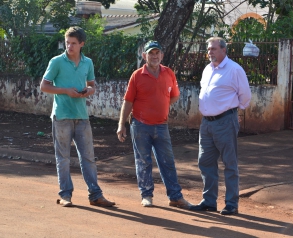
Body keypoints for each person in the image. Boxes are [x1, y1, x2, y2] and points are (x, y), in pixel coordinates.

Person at [40, 26, 115, 207]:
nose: (69, 46)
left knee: (88, 157)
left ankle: (95, 195)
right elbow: (44, 86)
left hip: (82, 116)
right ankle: (65, 195)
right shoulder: (56, 62)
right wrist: (66, 91)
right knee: (63, 158)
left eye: (73, 43)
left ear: (82, 44)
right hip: (62, 116)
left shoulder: (88, 63)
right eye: (67, 42)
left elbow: (92, 85)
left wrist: (88, 91)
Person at [116, 40, 191, 209]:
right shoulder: (137, 75)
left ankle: (175, 197)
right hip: (140, 125)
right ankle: (146, 195)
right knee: (143, 161)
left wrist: (161, 106)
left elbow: (175, 96)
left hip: (162, 126)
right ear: (145, 56)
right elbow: (128, 101)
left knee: (168, 162)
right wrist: (121, 124)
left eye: (157, 53)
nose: (154, 56)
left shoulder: (169, 73)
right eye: (151, 53)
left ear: (162, 55)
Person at [189, 36, 251, 215]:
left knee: (229, 163)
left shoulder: (234, 69)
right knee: (205, 162)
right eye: (208, 49)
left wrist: (235, 113)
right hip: (206, 124)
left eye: (213, 49)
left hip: (225, 122)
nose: (209, 52)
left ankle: (231, 203)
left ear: (224, 50)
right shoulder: (207, 69)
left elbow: (245, 95)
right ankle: (209, 201)